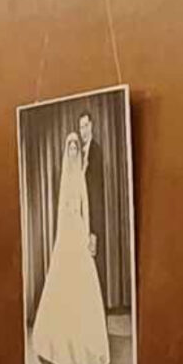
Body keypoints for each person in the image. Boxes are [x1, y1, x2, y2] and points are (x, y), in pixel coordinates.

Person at [31, 132, 110, 364]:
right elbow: (60, 213)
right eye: (71, 147)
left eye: (76, 146)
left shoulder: (82, 178)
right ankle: (58, 349)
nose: (74, 150)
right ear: (67, 151)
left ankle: (82, 348)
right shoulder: (65, 178)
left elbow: (86, 208)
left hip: (79, 233)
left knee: (81, 287)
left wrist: (88, 236)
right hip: (65, 236)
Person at [78, 111, 108, 305]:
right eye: (81, 127)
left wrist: (94, 232)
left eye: (86, 126)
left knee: (95, 270)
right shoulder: (80, 152)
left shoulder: (95, 152)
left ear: (92, 126)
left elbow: (96, 193)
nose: (84, 131)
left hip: (92, 222)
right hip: (81, 220)